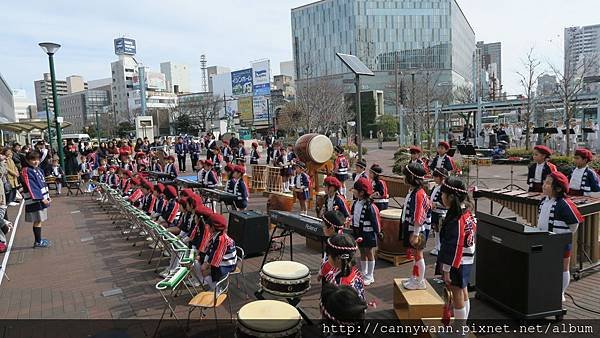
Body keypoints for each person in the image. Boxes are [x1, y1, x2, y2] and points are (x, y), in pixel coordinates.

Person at [539, 171, 584, 302]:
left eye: (547, 183)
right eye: (544, 182)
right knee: (546, 266)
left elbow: (574, 224)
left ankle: (560, 292)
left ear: (558, 188)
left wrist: (564, 237)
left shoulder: (565, 204)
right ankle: (547, 288)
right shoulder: (542, 201)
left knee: (563, 268)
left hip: (560, 242)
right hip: (544, 240)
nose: (543, 185)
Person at [438, 177, 477, 320]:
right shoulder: (466, 213)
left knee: (457, 294)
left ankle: (459, 330)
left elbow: (453, 247)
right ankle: (462, 327)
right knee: (463, 291)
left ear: (451, 197)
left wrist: (446, 270)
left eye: (443, 194)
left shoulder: (457, 219)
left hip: (457, 262)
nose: (441, 197)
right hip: (466, 259)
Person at [401, 163, 432, 290]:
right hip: (413, 228)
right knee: (416, 255)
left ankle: (419, 281)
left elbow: (419, 215)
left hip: (417, 230)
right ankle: (415, 277)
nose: (403, 178)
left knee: (418, 255)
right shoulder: (414, 191)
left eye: (406, 175)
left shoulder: (418, 194)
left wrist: (415, 234)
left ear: (412, 178)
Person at [194, 213, 237, 290]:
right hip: (221, 261)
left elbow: (217, 256)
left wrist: (206, 265)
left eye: (208, 225)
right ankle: (212, 285)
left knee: (206, 275)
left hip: (227, 264)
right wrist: (205, 261)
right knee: (200, 265)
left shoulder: (222, 239)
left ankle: (218, 290)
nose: (206, 227)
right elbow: (210, 250)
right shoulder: (215, 235)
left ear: (213, 227)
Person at [351, 177, 381, 286]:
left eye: (355, 190)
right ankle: (364, 272)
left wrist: (378, 232)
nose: (353, 191)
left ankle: (370, 275)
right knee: (362, 252)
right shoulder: (355, 203)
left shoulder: (370, 206)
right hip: (358, 232)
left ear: (362, 192)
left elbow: (375, 220)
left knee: (369, 252)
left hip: (368, 233)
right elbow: (353, 216)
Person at [321, 233, 365, 300]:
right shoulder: (351, 270)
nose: (327, 258)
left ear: (338, 258)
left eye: (328, 254)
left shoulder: (343, 287)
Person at [20, 151, 51, 248]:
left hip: (41, 198)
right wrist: (42, 199)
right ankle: (38, 241)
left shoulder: (38, 169)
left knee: (39, 220)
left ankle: (39, 240)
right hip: (35, 200)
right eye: (33, 160)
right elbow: (32, 187)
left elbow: (42, 184)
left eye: (37, 159)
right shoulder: (27, 170)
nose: (36, 161)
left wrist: (47, 196)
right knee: (37, 220)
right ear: (28, 160)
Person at [429, 168, 448, 256]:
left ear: (442, 177)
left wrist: (435, 204)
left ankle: (440, 247)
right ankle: (437, 246)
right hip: (435, 212)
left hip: (441, 213)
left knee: (441, 231)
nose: (434, 178)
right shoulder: (436, 187)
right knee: (436, 230)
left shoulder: (445, 188)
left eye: (436, 176)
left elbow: (445, 203)